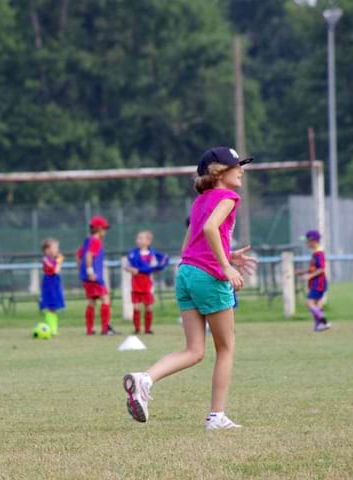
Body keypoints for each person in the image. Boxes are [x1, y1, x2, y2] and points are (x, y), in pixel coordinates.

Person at [122, 147, 257, 430]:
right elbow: (210, 229)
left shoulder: (199, 202)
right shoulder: (230, 197)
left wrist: (228, 256)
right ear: (219, 172)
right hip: (208, 276)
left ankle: (144, 379)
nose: (241, 170)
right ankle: (216, 417)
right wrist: (225, 266)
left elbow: (189, 247)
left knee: (195, 350)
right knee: (226, 348)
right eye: (236, 166)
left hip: (186, 273)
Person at [76, 216, 116, 335]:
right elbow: (88, 255)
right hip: (94, 276)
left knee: (91, 301)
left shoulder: (87, 240)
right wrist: (90, 271)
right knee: (105, 298)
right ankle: (105, 328)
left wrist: (82, 271)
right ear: (98, 229)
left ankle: (89, 329)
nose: (105, 232)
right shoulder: (96, 241)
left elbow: (78, 256)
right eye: (104, 229)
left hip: (87, 277)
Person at [125, 230, 169, 335]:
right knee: (136, 307)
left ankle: (147, 329)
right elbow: (126, 266)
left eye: (141, 238)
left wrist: (157, 268)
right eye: (138, 238)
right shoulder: (132, 254)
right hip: (136, 283)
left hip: (147, 284)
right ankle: (137, 329)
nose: (138, 240)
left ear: (148, 241)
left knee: (148, 306)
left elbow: (160, 263)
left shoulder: (152, 254)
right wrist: (130, 269)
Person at [296, 230, 330, 332]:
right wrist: (303, 272)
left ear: (313, 241)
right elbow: (314, 268)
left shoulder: (319, 253)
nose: (306, 243)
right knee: (317, 305)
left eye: (307, 241)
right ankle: (318, 326)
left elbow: (321, 269)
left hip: (318, 283)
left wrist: (309, 276)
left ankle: (324, 322)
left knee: (309, 303)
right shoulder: (315, 253)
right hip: (317, 282)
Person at [39, 237, 65, 335]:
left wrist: (59, 261)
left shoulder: (54, 259)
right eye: (54, 248)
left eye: (57, 248)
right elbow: (55, 270)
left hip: (55, 284)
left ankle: (53, 328)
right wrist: (59, 262)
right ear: (47, 250)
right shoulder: (46, 259)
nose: (57, 250)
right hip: (49, 285)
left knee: (54, 308)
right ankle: (51, 328)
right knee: (50, 307)